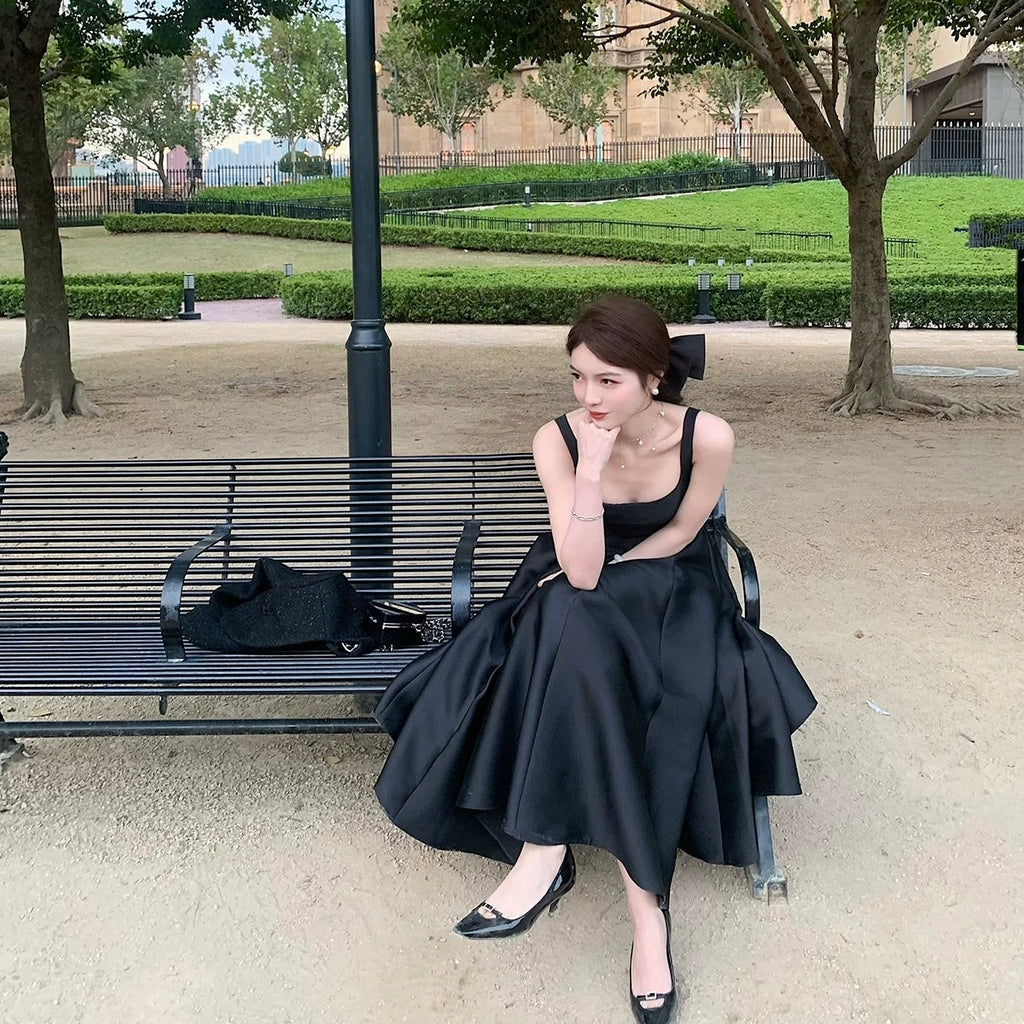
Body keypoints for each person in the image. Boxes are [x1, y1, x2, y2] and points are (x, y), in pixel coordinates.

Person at [374, 294, 816, 1023]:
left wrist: (620, 573)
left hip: (674, 586)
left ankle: (545, 853)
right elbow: (578, 569)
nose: (589, 396)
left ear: (654, 377)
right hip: (572, 577)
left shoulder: (708, 437)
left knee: (584, 626)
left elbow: (683, 533)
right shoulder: (558, 439)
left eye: (608, 380)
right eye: (578, 377)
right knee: (575, 617)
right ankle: (645, 912)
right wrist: (590, 473)